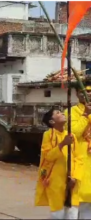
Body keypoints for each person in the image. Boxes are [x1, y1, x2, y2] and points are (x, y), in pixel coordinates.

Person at [35, 108, 84, 219]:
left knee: (72, 214)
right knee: (58, 214)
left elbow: (78, 158)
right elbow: (48, 157)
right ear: (52, 122)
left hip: (72, 181)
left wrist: (75, 177)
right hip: (55, 181)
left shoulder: (72, 136)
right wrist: (62, 144)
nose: (62, 113)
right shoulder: (48, 135)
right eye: (58, 113)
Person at [64, 84, 91, 219]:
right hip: (79, 159)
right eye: (84, 92)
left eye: (90, 91)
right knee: (75, 201)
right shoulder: (72, 111)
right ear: (77, 94)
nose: (88, 94)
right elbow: (73, 133)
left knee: (88, 200)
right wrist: (86, 114)